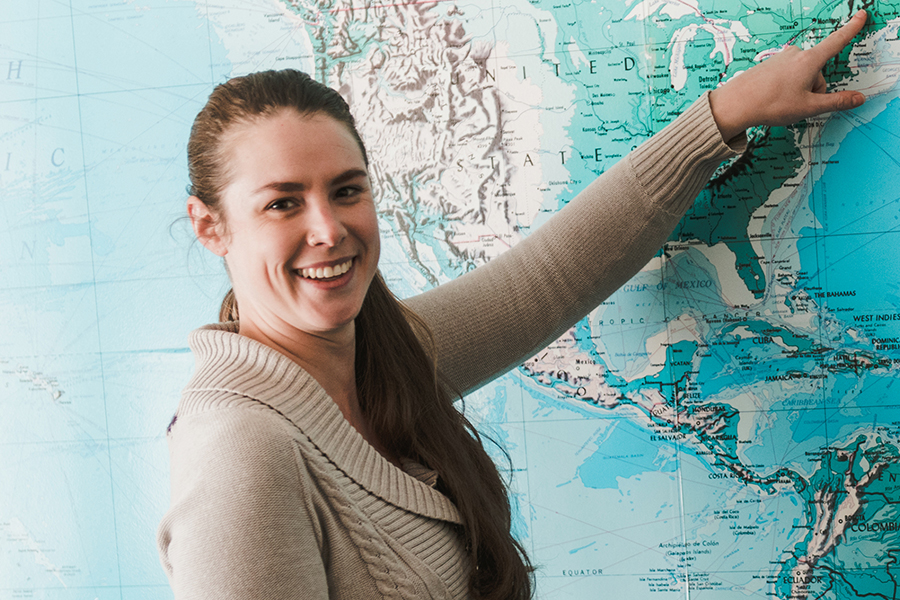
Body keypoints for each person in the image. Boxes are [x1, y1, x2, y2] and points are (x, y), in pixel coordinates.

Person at [157, 11, 868, 600]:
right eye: (283, 203)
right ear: (209, 225)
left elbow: (548, 280)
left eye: (347, 190)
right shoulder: (238, 454)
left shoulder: (379, 355)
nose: (329, 230)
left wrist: (722, 115)